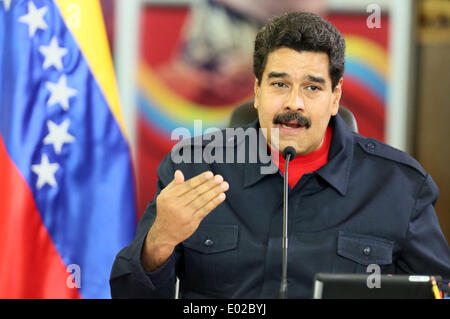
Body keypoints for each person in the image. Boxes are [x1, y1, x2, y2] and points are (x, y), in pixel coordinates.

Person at [110, 12, 450, 298]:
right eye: (279, 84)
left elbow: (441, 290)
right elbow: (128, 293)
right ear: (257, 91)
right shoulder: (193, 168)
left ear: (335, 98)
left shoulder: (399, 186)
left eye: (312, 87)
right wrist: (159, 242)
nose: (294, 103)